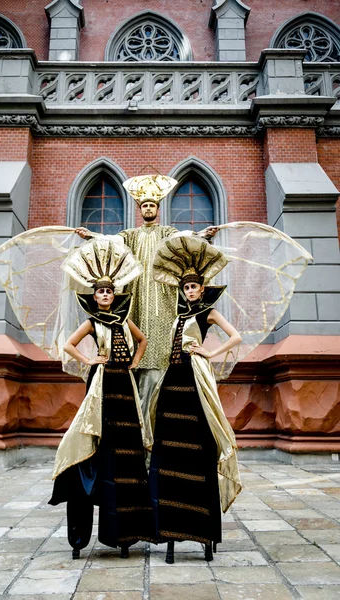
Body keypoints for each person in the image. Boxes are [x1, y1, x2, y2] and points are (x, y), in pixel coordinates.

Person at [75, 173, 219, 423]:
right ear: (140, 210)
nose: (149, 209)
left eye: (152, 205)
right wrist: (91, 237)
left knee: (164, 351)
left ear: (158, 209)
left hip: (163, 299)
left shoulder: (167, 232)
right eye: (145, 205)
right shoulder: (130, 235)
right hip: (136, 298)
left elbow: (185, 240)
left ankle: (158, 421)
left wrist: (204, 236)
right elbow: (111, 242)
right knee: (136, 342)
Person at [48, 237, 154, 559]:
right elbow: (68, 345)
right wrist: (90, 360)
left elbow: (143, 340)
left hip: (125, 382)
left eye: (109, 291)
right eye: (100, 292)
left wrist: (135, 363)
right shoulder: (93, 321)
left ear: (114, 294)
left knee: (126, 440)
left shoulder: (123, 319)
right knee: (101, 432)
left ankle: (124, 528)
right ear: (94, 297)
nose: (105, 295)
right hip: (102, 382)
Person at [148, 233, 243, 564]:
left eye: (194, 287)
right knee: (171, 447)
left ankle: (201, 527)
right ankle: (172, 526)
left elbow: (237, 336)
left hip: (195, 379)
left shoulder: (208, 313)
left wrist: (210, 353)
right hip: (173, 381)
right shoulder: (179, 314)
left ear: (202, 288)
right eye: (186, 287)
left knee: (198, 443)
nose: (190, 291)